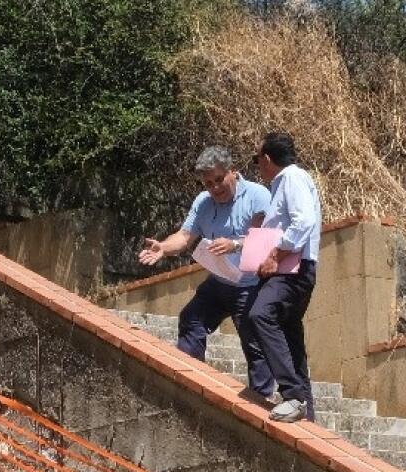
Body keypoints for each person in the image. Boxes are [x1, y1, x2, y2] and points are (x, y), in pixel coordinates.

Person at [137, 146, 276, 399]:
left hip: (250, 283)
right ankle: (190, 380)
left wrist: (234, 244)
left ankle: (262, 400)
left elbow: (265, 239)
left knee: (255, 343)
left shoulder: (258, 196)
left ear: (233, 172)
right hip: (219, 280)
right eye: (208, 183)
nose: (215, 188)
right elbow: (184, 236)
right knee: (191, 319)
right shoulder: (203, 201)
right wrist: (163, 248)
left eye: (219, 179)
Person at [249, 132, 322, 423]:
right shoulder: (286, 184)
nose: (257, 165)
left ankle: (292, 396)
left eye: (257, 159)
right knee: (289, 333)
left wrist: (274, 255)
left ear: (267, 159)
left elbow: (304, 221)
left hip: (292, 270)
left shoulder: (292, 178)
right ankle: (306, 412)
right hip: (293, 269)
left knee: (260, 315)